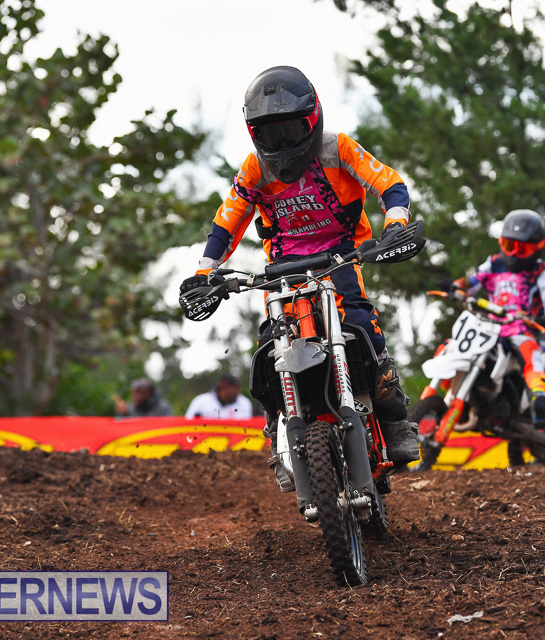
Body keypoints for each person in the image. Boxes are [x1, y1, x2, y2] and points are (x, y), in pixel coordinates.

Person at [178, 66, 419, 465]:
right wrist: (205, 269)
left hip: (339, 253)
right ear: (255, 135)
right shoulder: (256, 168)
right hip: (283, 265)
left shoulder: (336, 148)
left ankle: (395, 420)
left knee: (360, 321)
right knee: (269, 343)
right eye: (271, 134)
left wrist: (396, 222)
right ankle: (278, 425)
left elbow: (389, 182)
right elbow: (228, 220)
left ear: (313, 118)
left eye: (291, 129)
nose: (283, 141)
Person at [445, 209, 545, 430]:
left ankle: (539, 397)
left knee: (531, 354)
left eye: (523, 249)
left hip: (522, 328)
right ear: (501, 243)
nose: (515, 254)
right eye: (510, 246)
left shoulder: (542, 271)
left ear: (537, 247)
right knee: (451, 346)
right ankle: (452, 392)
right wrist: (458, 286)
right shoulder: (493, 264)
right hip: (490, 328)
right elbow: (473, 280)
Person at [185, 373, 255, 420]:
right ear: (222, 388)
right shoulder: (201, 401)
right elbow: (188, 423)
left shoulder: (244, 402)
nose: (236, 392)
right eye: (233, 388)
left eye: (237, 388)